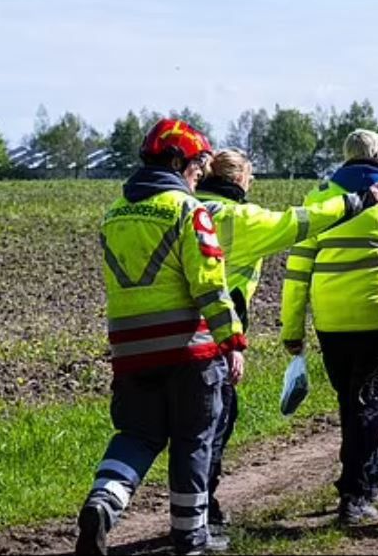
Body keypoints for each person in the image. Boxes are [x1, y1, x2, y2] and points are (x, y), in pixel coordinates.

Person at [76, 119, 247, 556]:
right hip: (190, 352)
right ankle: (190, 539)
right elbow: (210, 284)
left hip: (131, 352)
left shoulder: (114, 215)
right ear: (176, 161)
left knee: (136, 435)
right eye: (197, 165)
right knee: (193, 440)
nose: (199, 174)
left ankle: (103, 504)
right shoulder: (189, 211)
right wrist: (233, 343)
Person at [194, 148, 378, 534]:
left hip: (163, 328)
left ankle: (118, 496)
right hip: (212, 333)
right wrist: (357, 202)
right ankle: (200, 513)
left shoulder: (183, 209)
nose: (251, 184)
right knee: (214, 423)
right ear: (239, 179)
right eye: (249, 178)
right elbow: (301, 222)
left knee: (170, 430)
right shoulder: (239, 218)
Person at [279, 129, 378, 525]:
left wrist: (292, 328)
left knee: (351, 401)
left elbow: (298, 269)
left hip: (331, 318)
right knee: (368, 404)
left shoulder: (319, 198)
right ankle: (354, 493)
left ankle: (372, 471)